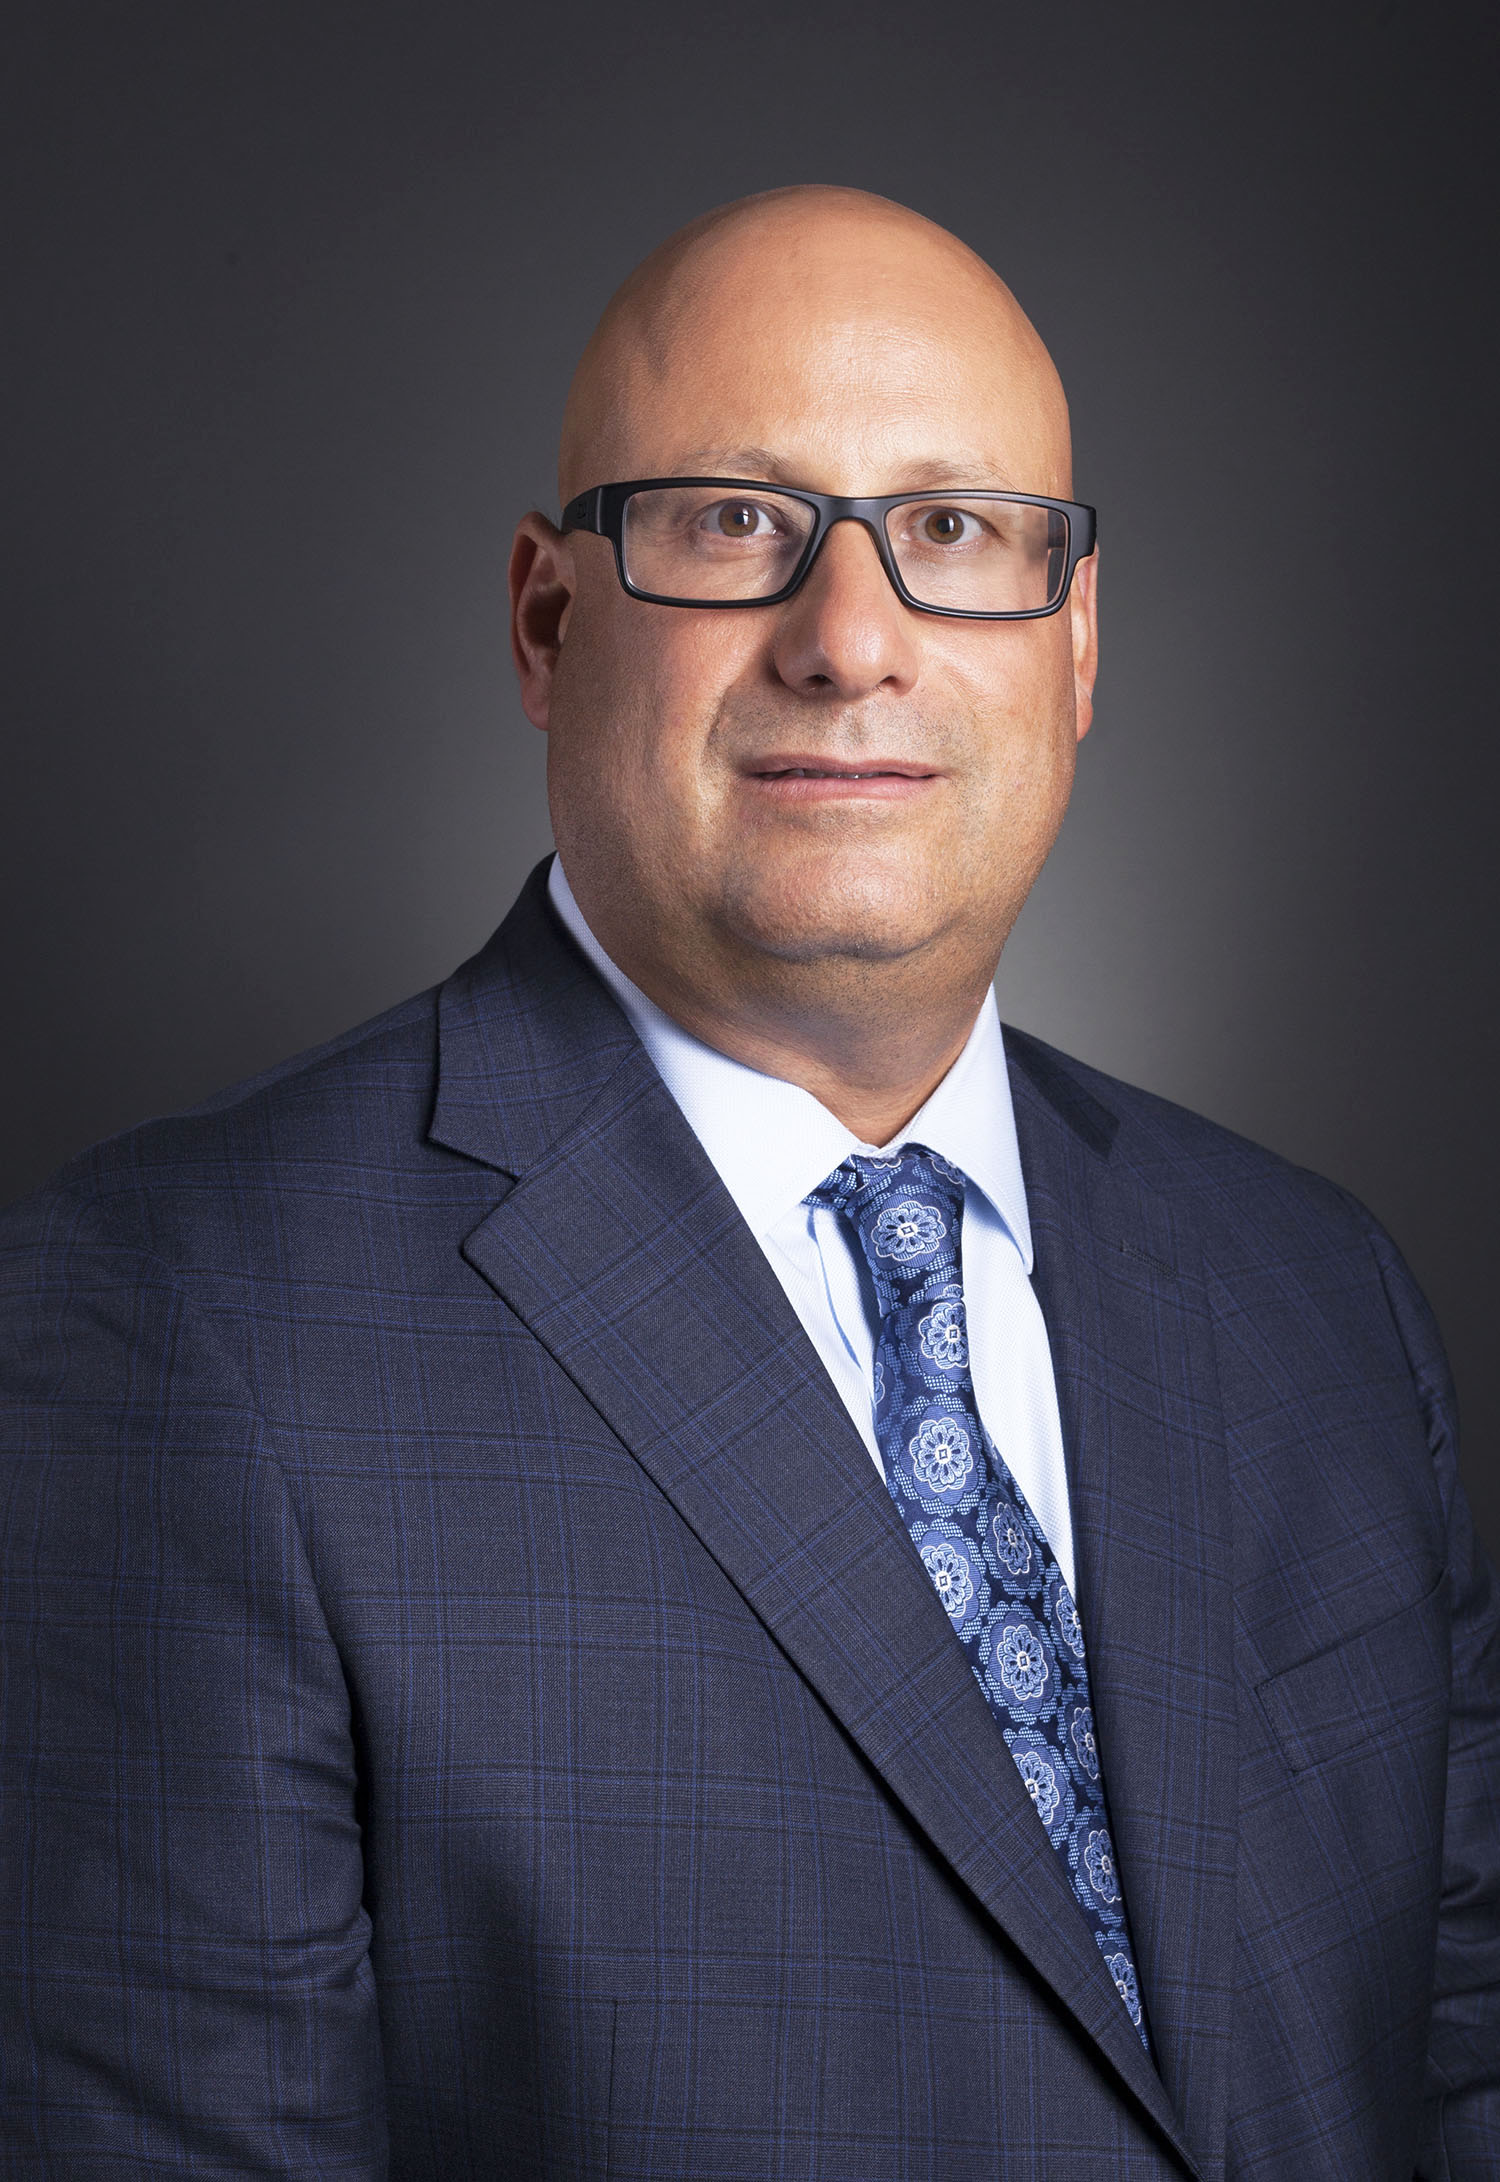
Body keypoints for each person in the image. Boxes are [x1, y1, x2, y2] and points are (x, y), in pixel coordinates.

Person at [1, 184, 1495, 2181]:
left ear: (1076, 645)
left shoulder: (1320, 1293)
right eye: (733, 521)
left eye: (953, 530)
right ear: (547, 623)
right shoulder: (179, 1327)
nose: (851, 639)